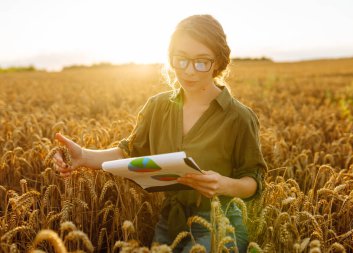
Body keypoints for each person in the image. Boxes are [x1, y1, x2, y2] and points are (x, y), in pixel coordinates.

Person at [53, 14, 267, 252]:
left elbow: (253, 181)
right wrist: (83, 155)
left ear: (217, 61)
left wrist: (223, 185)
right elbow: (129, 152)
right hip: (169, 224)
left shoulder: (239, 116)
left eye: (201, 62)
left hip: (220, 225)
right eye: (181, 60)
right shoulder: (158, 106)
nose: (189, 71)